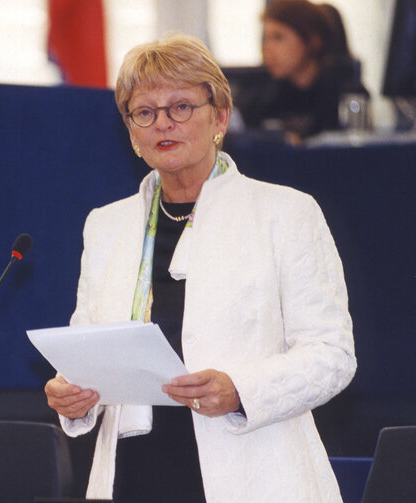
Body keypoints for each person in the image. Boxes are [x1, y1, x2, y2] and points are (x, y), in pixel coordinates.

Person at [43, 34, 356, 503]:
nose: (162, 123)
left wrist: (241, 389)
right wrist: (71, 395)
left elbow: (332, 354)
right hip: (135, 472)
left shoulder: (285, 213)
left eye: (181, 106)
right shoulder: (106, 226)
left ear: (220, 117)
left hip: (253, 468)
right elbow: (88, 345)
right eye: (144, 112)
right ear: (131, 132)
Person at [238, 0, 368, 142]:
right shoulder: (261, 95)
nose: (267, 48)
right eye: (265, 39)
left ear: (313, 41)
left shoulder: (345, 93)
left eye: (278, 38)